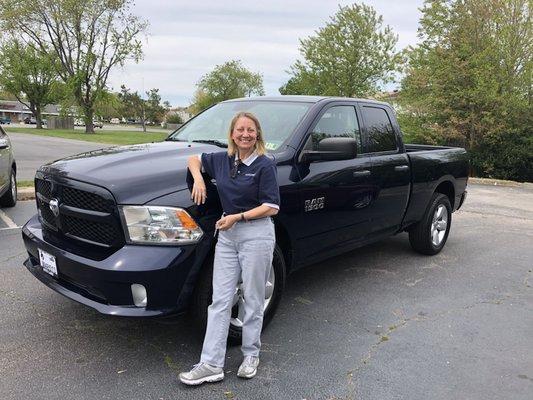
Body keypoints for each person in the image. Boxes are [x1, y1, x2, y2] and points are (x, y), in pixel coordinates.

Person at [179, 112, 280, 386]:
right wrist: (199, 179)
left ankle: (251, 355)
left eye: (250, 130)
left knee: (253, 297)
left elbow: (271, 206)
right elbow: (192, 159)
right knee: (220, 300)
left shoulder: (264, 165)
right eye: (240, 130)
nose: (245, 134)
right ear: (232, 134)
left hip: (255, 234)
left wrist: (239, 217)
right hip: (227, 235)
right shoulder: (222, 159)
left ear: (257, 134)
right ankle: (211, 363)